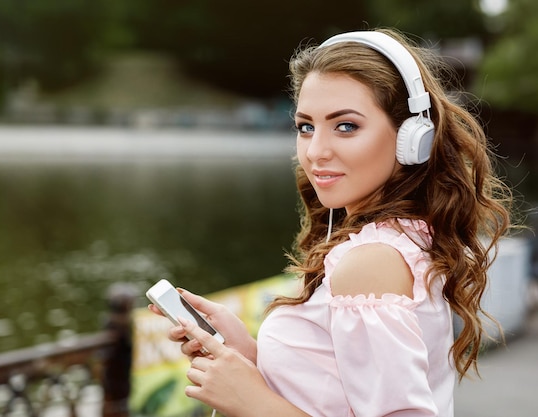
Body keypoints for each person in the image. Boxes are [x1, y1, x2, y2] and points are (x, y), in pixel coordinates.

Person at [148, 27, 513, 417]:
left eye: (346, 126)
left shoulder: (372, 262)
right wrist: (248, 357)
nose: (316, 152)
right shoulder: (403, 239)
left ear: (412, 137)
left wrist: (253, 402)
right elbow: (333, 394)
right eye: (306, 126)